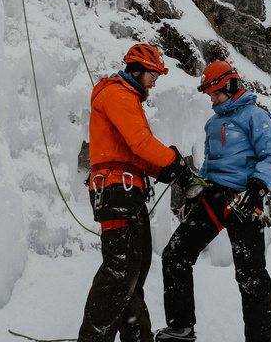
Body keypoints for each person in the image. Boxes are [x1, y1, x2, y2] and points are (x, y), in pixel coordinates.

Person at [156, 61, 271, 342]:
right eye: (209, 94)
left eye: (215, 93)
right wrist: (196, 192)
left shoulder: (255, 116)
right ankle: (181, 327)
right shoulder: (213, 123)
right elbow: (209, 164)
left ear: (231, 85)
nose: (211, 99)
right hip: (213, 197)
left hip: (244, 202)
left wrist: (257, 188)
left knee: (251, 277)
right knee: (175, 255)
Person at [78, 43, 191, 342]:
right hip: (117, 191)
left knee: (133, 273)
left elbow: (134, 154)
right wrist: (173, 161)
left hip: (127, 191)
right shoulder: (117, 94)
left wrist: (164, 171)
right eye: (153, 74)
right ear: (137, 71)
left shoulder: (128, 99)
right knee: (119, 272)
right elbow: (141, 143)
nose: (155, 81)